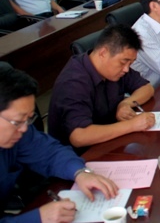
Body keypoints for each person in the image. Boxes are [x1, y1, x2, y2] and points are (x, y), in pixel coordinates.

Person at [0, 63, 118, 223]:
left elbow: (50, 153)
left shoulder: (19, 132)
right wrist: (38, 218)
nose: (24, 128)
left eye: (28, 119)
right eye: (18, 121)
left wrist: (80, 172)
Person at [47, 24, 156, 150]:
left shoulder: (115, 69)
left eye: (130, 63)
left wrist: (125, 104)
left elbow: (147, 88)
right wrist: (132, 125)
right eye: (123, 62)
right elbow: (79, 136)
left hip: (110, 142)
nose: (126, 69)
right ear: (103, 53)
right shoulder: (73, 82)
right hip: (80, 155)